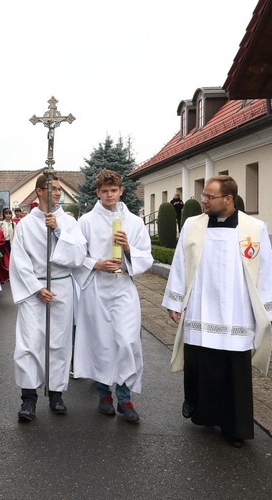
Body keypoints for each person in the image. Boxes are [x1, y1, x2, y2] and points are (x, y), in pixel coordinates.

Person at [163, 175, 272, 447]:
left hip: (237, 310)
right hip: (201, 305)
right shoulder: (193, 224)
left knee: (233, 370)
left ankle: (234, 427)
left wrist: (266, 312)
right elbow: (180, 263)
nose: (203, 200)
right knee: (201, 363)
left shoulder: (254, 228)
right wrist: (175, 300)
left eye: (209, 197)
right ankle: (203, 413)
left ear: (228, 199)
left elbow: (266, 272)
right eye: (204, 195)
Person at [73, 169, 153, 423]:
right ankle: (104, 394)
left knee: (127, 341)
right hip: (96, 287)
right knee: (101, 342)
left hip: (122, 287)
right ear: (98, 192)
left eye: (113, 190)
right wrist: (95, 264)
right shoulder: (86, 221)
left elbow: (147, 258)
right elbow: (73, 257)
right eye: (104, 191)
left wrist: (128, 249)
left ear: (121, 191)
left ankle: (125, 396)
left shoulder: (135, 222)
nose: (109, 195)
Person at [10, 174, 86, 421]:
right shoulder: (25, 225)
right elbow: (19, 261)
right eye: (52, 189)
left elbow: (78, 256)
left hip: (61, 287)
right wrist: (34, 287)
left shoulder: (69, 223)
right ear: (39, 191)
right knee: (29, 343)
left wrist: (58, 231)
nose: (57, 194)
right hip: (34, 290)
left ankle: (55, 393)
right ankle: (28, 398)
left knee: (58, 343)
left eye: (59, 190)